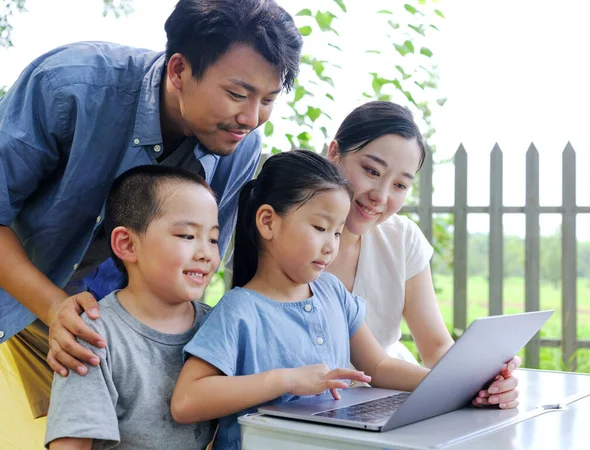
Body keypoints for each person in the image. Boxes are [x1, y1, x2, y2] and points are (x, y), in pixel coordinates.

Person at [0, 0, 302, 418]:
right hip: (19, 307)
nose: (250, 118)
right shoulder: (68, 86)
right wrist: (53, 308)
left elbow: (207, 264)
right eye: (237, 94)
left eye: (268, 100)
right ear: (179, 70)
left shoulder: (240, 144)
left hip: (107, 340)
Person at [170, 150, 516, 450]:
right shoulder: (240, 311)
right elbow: (186, 402)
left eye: (337, 232)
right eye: (320, 228)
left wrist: (459, 384)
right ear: (267, 222)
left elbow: (378, 368)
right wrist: (286, 380)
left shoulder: (332, 291)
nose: (331, 245)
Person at [326, 101, 520, 408]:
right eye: (371, 170)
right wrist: (456, 383)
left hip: (389, 397)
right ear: (334, 153)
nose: (381, 195)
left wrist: (482, 380)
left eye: (400, 184)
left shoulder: (401, 238)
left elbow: (437, 346)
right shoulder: (291, 239)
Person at [44, 165, 220, 449]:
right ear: (127, 244)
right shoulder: (94, 336)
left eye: (213, 238)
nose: (206, 253)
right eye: (187, 235)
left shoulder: (218, 327)